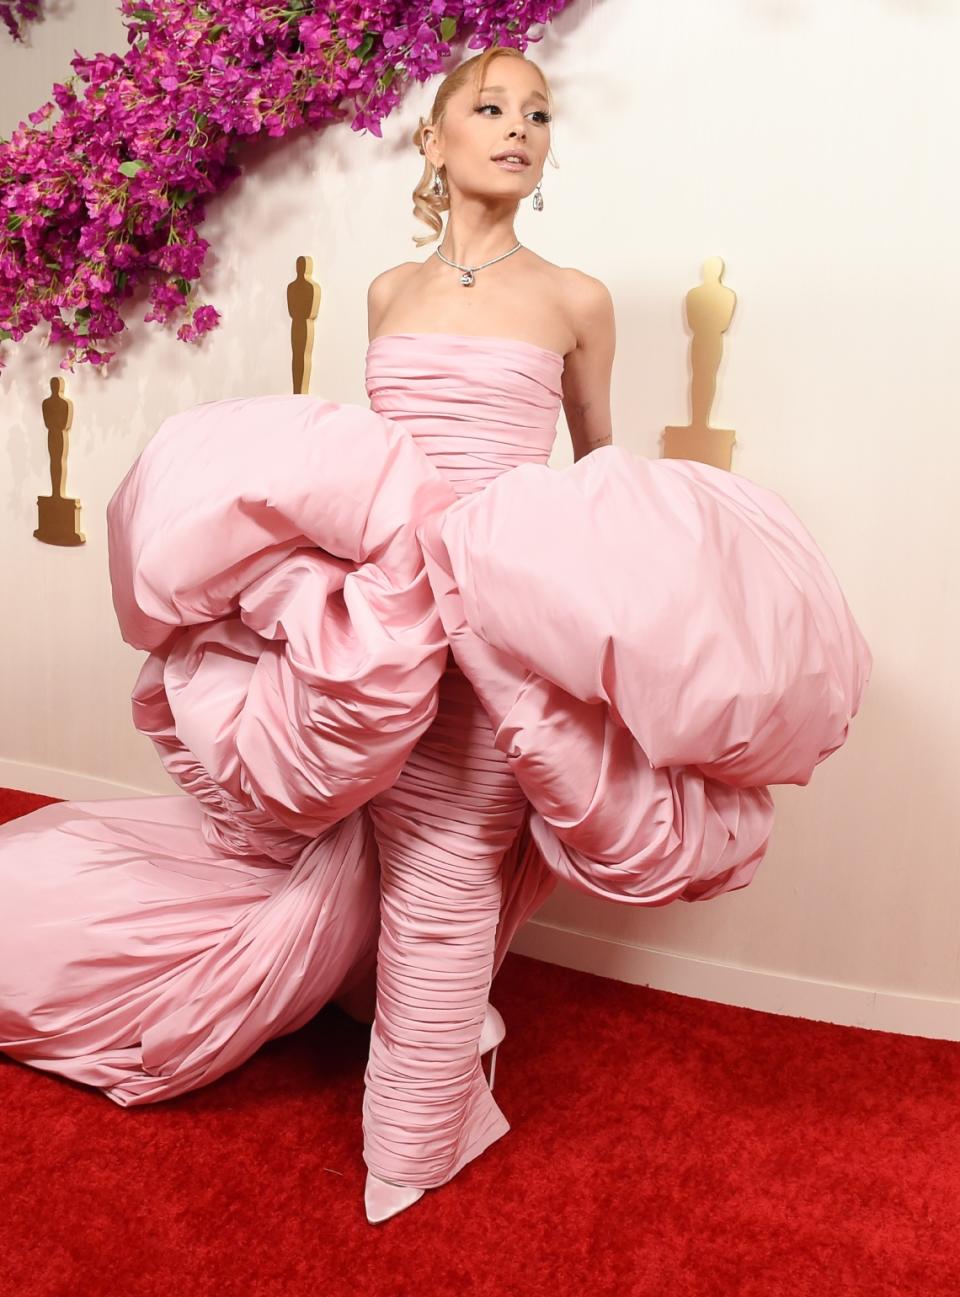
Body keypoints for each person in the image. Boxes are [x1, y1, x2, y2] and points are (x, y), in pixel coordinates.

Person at [0, 45, 872, 1227]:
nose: (520, 128)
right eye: (492, 107)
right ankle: (433, 1028)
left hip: (498, 617)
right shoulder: (385, 294)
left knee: (453, 871)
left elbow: (597, 469)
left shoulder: (578, 298)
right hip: (386, 619)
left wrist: (579, 615)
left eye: (539, 114)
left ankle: (411, 1133)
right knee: (377, 839)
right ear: (436, 136)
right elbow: (378, 464)